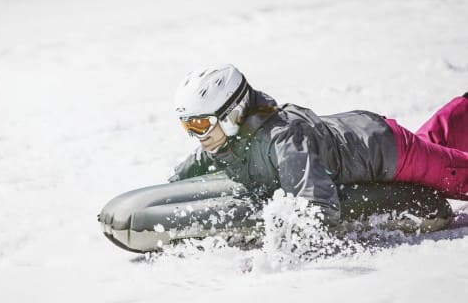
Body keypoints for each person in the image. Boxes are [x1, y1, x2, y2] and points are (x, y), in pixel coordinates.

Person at [169, 64, 468, 225]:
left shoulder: (284, 139)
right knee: (434, 142)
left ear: (232, 114)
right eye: (188, 126)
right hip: (363, 132)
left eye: (200, 124)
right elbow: (194, 166)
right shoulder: (223, 143)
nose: (196, 135)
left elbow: (319, 206)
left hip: (386, 151)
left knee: (457, 174)